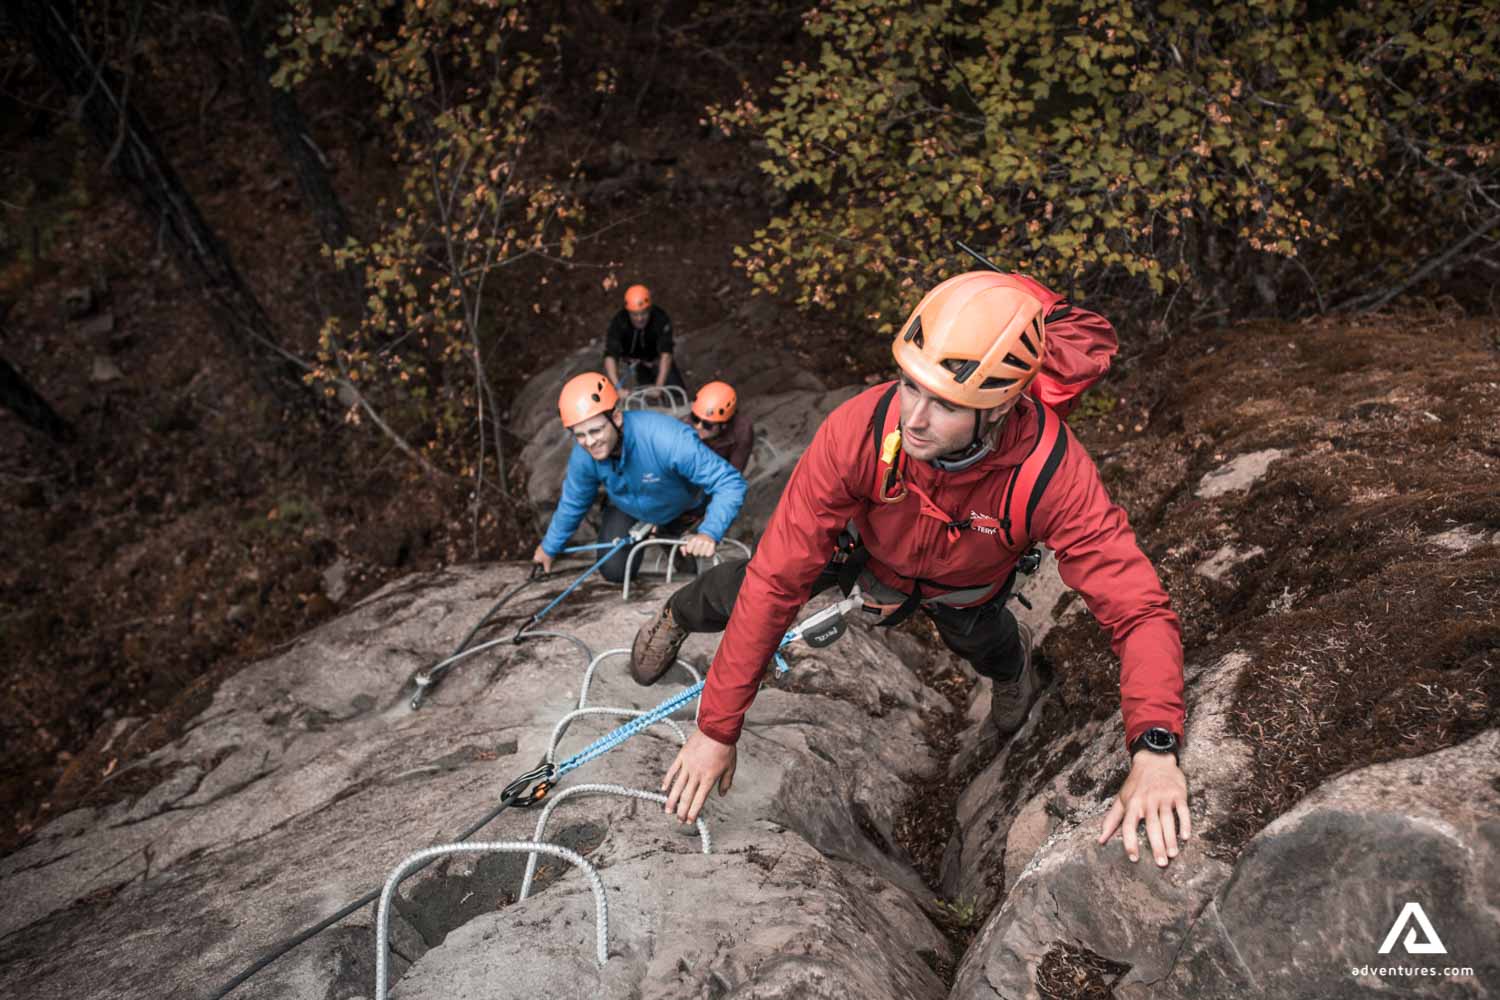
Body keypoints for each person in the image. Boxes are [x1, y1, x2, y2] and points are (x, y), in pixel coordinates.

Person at [630, 271, 1190, 870]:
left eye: (946, 403)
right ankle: (677, 613)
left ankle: (1012, 670)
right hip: (864, 549)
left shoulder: (1050, 472)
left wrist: (1155, 747)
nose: (914, 418)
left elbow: (1137, 607)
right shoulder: (861, 429)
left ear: (1001, 404)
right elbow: (777, 579)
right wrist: (717, 727)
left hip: (965, 581)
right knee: (742, 584)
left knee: (983, 642)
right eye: (909, 385)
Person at [532, 372, 746, 584]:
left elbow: (729, 482)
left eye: (596, 431)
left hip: (678, 505)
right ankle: (659, 528)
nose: (589, 442)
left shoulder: (667, 439)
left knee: (687, 575)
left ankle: (668, 529)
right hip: (627, 505)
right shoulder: (583, 456)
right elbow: (574, 501)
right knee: (614, 572)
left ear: (616, 417)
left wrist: (709, 532)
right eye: (580, 434)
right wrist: (548, 547)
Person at [604, 284, 686, 393]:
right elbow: (610, 355)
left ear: (649, 309)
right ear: (628, 312)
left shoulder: (660, 319)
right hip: (633, 363)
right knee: (639, 394)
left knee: (677, 391)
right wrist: (618, 388)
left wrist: (659, 386)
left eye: (644, 313)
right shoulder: (619, 322)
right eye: (635, 315)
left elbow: (666, 354)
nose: (640, 319)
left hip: (656, 360)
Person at [690, 381, 755, 473]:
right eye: (696, 419)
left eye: (707, 425)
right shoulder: (685, 425)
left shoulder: (742, 431)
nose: (698, 426)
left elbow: (733, 474)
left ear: (724, 424)